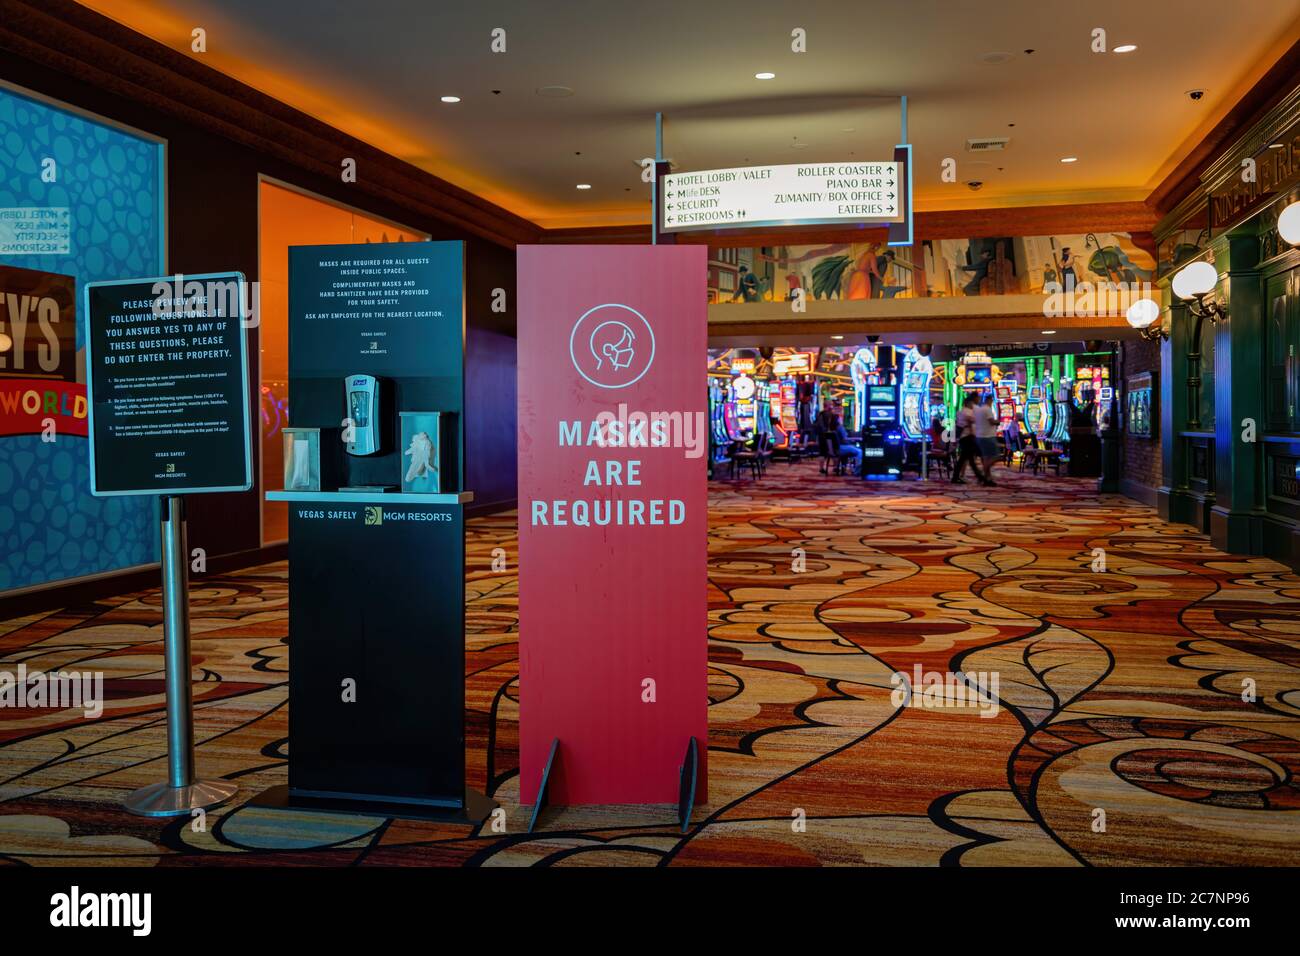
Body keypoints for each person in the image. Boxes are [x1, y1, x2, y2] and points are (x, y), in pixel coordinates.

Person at [952, 395, 991, 485]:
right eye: (972, 403)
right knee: (969, 458)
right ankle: (981, 477)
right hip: (968, 437)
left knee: (966, 459)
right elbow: (973, 421)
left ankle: (979, 477)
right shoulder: (967, 412)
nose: (973, 405)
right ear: (968, 403)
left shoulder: (960, 411)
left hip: (965, 437)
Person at [975, 393, 1000, 482]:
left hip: (979, 436)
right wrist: (998, 422)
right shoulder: (987, 409)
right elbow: (991, 421)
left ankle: (987, 478)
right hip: (988, 436)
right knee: (996, 456)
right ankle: (982, 473)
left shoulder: (979, 409)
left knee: (986, 457)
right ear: (990, 400)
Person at [814, 399, 838, 474]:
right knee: (835, 451)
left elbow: (817, 426)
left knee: (822, 453)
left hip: (822, 436)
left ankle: (821, 468)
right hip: (830, 436)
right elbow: (836, 426)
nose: (832, 406)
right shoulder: (832, 415)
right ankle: (835, 467)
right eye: (831, 405)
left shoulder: (820, 414)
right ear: (827, 405)